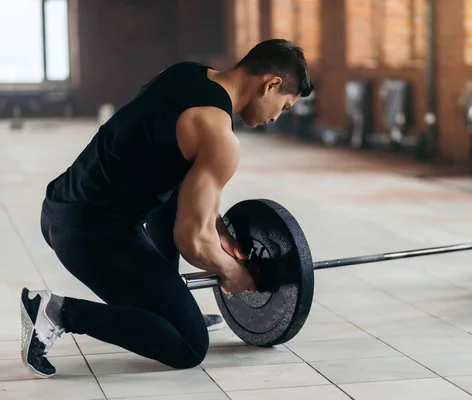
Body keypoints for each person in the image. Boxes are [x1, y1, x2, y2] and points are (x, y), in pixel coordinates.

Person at [20, 39, 313, 378]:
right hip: (91, 237)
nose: (276, 117)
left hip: (61, 209)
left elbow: (175, 177)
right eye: (285, 106)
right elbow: (191, 241)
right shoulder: (218, 135)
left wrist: (219, 230)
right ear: (271, 84)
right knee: (188, 344)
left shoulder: (184, 73)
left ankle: (170, 306)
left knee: (173, 192)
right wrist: (234, 272)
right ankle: (56, 311)